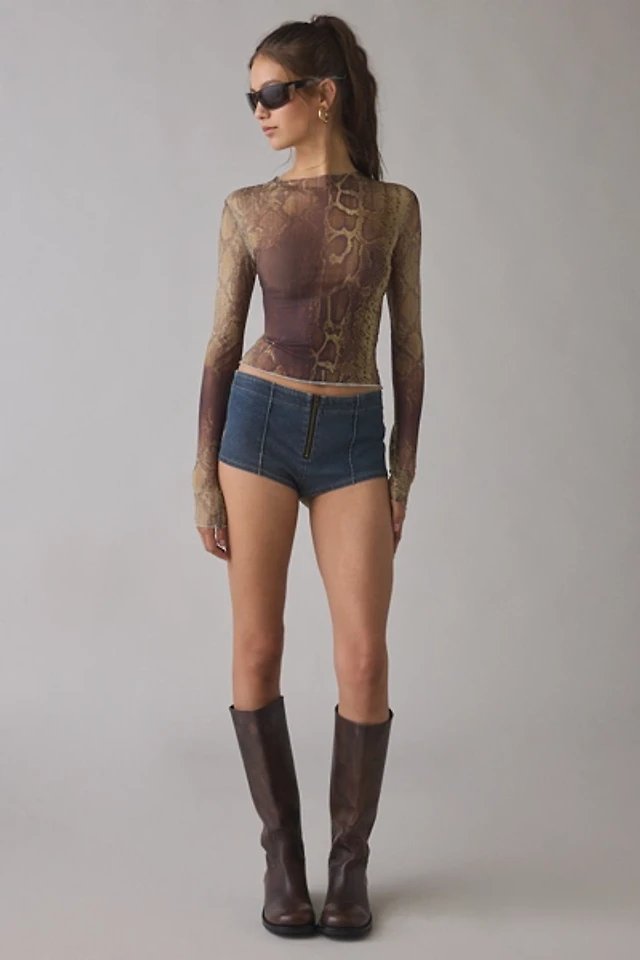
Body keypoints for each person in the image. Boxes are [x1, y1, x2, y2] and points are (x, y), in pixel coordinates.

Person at [192, 13, 425, 940]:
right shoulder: (246, 207)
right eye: (251, 96)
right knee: (258, 647)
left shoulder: (395, 207)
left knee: (363, 656)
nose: (259, 109)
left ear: (323, 95)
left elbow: (409, 349)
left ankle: (349, 864)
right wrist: (202, 475)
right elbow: (220, 345)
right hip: (259, 426)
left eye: (272, 92)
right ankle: (282, 859)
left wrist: (402, 471)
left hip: (354, 435)